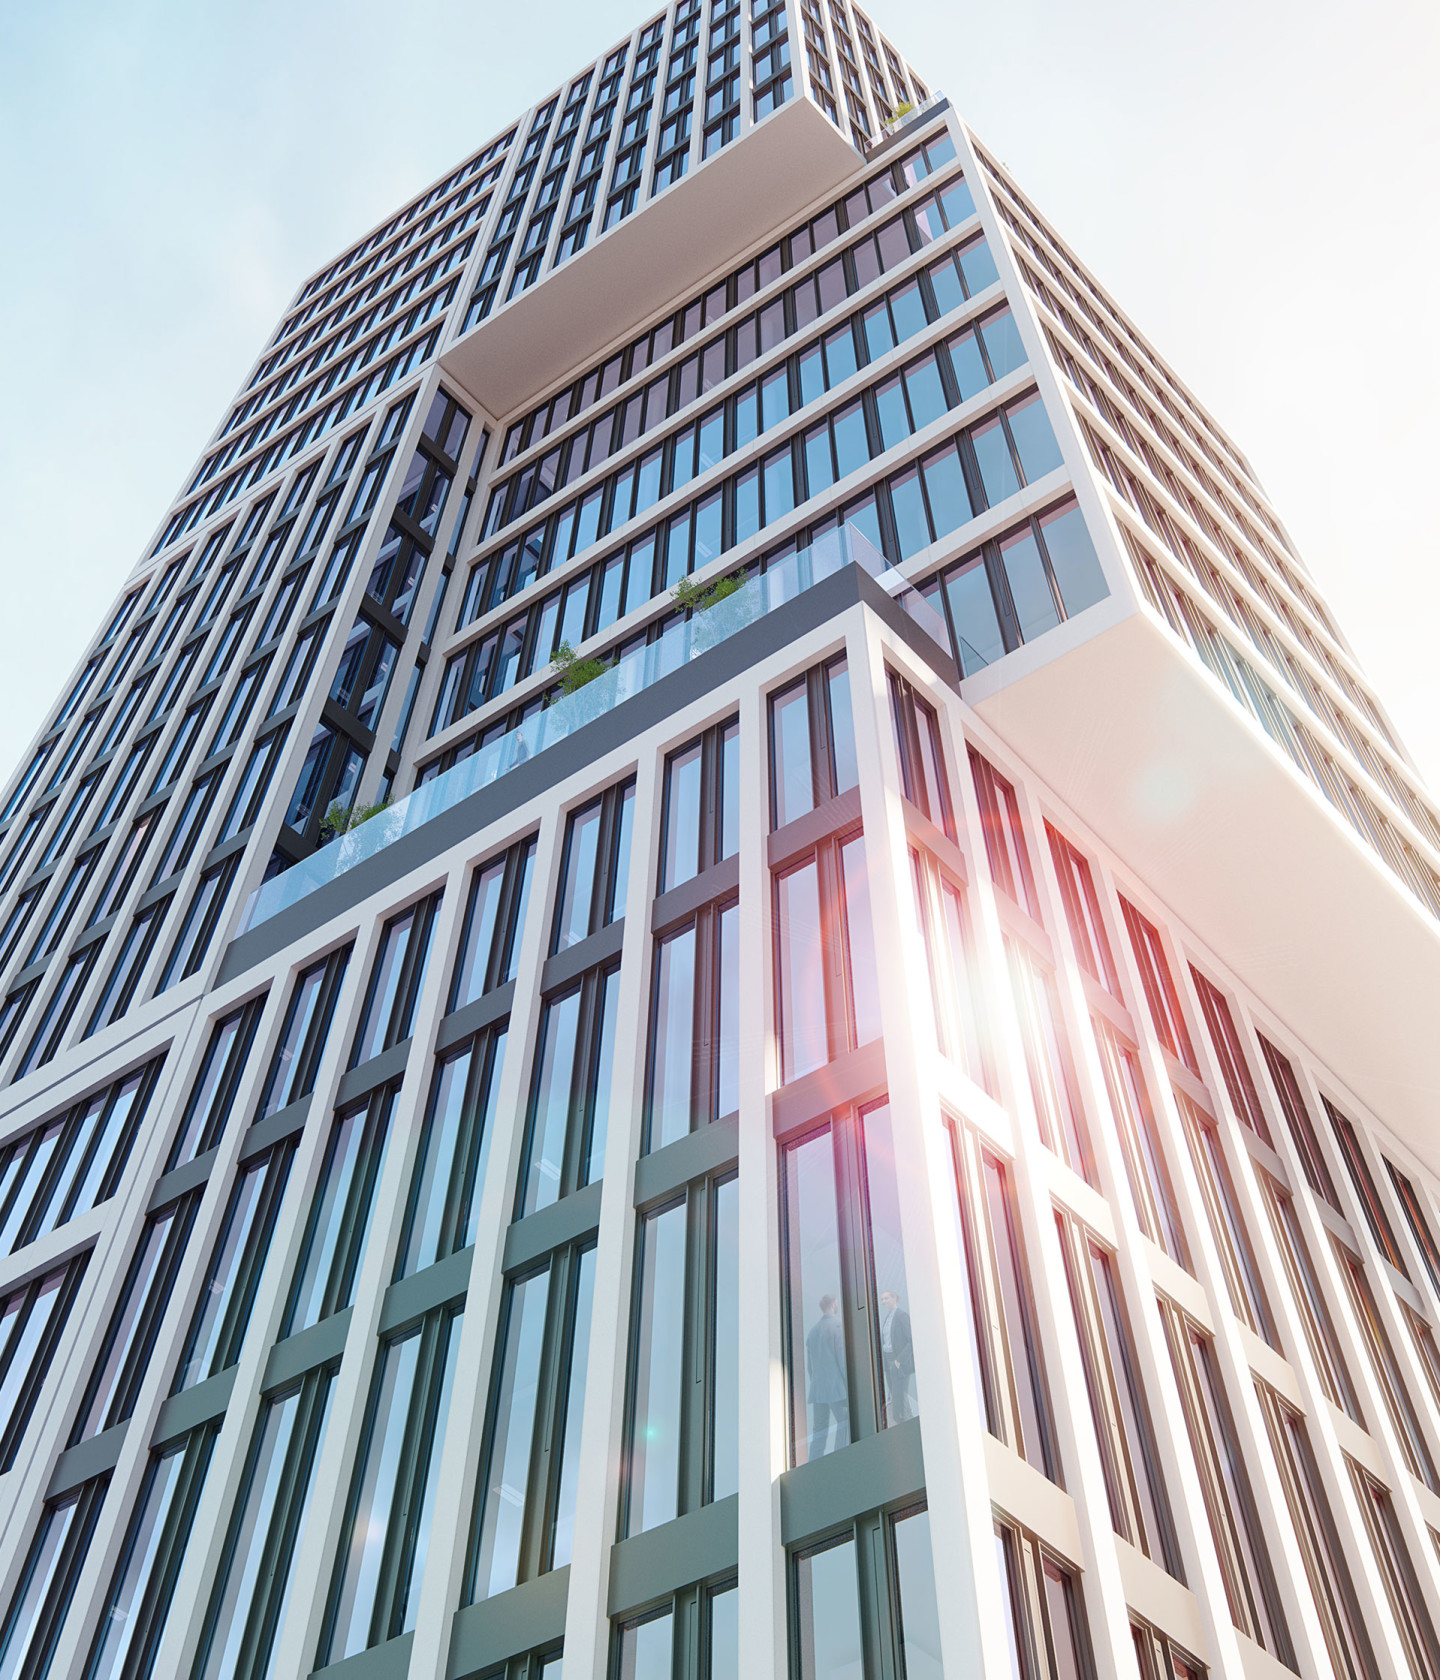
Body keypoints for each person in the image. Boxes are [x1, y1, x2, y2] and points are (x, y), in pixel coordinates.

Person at [805, 1293, 849, 1458]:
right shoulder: (837, 1326)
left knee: (819, 1431)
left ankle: (813, 1463)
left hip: (818, 1390)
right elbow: (842, 1359)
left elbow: (810, 1367)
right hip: (836, 1388)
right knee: (844, 1422)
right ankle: (840, 1458)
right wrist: (848, 1384)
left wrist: (816, 1384)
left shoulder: (813, 1332)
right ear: (834, 1304)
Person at [879, 1289, 914, 1423]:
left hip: (898, 1360)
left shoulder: (901, 1316)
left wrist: (899, 1360)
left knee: (899, 1396)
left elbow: (911, 1340)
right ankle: (903, 1421)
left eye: (886, 1298)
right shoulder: (888, 1318)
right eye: (882, 1299)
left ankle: (901, 1422)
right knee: (895, 1395)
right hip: (887, 1360)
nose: (883, 1301)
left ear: (894, 1298)